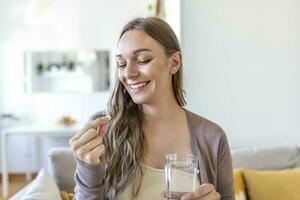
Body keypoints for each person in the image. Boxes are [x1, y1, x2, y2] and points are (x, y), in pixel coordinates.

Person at [69, 17, 234, 200]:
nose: (128, 73)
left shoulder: (212, 138)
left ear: (174, 63)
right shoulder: (102, 131)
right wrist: (88, 170)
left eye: (142, 60)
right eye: (121, 64)